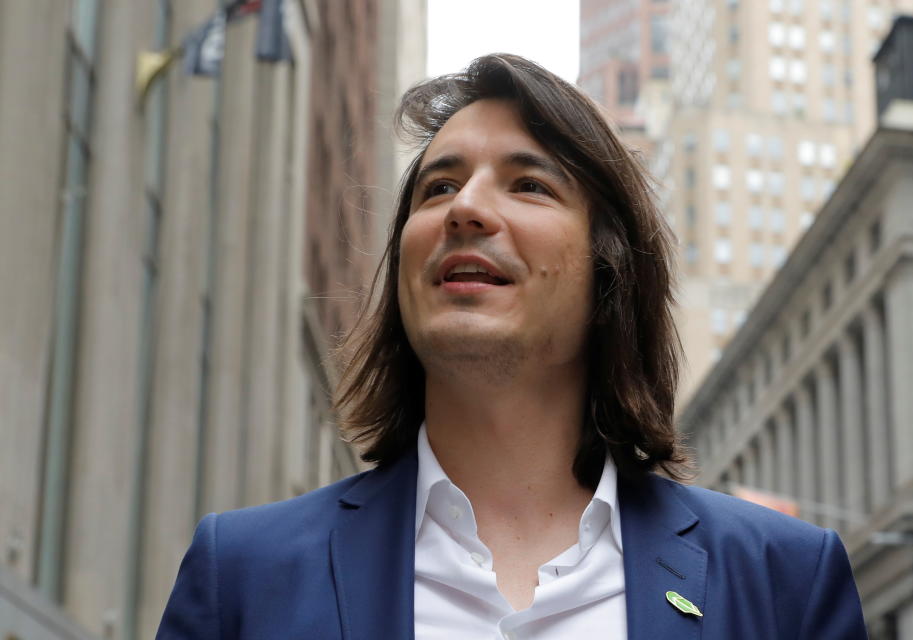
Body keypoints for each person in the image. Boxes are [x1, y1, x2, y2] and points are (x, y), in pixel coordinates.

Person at [157, 54, 868, 639]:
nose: (464, 207)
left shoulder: (786, 584)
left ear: (608, 270)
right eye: (438, 186)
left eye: (529, 184)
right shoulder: (241, 577)